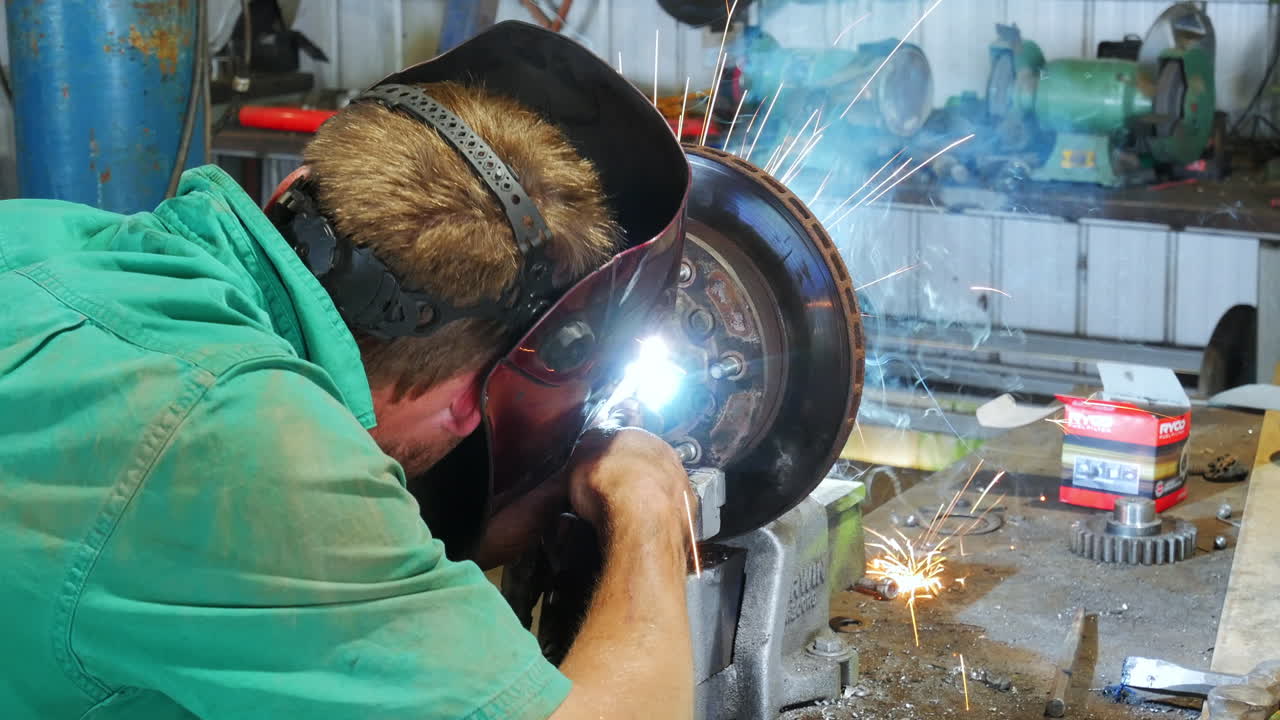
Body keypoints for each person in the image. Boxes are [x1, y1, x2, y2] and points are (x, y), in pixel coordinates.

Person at [0, 21, 695, 720]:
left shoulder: (42, 235)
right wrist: (646, 504)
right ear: (468, 405)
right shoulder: (242, 440)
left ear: (294, 190)